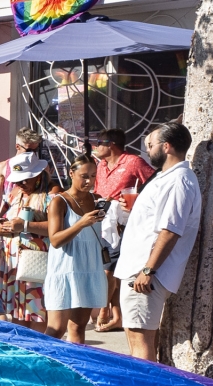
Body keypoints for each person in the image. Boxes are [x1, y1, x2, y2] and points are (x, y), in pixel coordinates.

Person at [114, 122, 202, 361]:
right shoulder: (167, 178)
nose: (147, 151)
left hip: (146, 272)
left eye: (150, 145)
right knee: (135, 334)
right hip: (140, 268)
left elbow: (170, 230)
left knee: (140, 338)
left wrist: (148, 269)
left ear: (166, 146)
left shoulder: (179, 180)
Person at [90, 128, 154, 331]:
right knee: (108, 266)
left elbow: (153, 183)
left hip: (123, 220)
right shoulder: (100, 165)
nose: (95, 146)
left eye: (99, 142)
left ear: (111, 144)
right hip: (102, 218)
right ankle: (116, 315)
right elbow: (98, 191)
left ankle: (103, 310)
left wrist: (137, 201)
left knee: (109, 268)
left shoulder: (133, 161)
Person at [44, 156, 109, 343]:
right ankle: (40, 366)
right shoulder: (59, 201)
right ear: (71, 174)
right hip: (65, 269)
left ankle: (75, 370)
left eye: (93, 176)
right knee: (56, 329)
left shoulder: (97, 201)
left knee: (78, 328)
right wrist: (81, 224)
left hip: (89, 269)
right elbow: (55, 240)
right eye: (84, 176)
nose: (89, 181)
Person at [0, 154, 50, 331]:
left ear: (37, 175)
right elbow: (0, 220)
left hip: (35, 263)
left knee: (38, 310)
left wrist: (24, 225)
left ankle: (40, 351)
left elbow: (56, 228)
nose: (20, 184)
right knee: (17, 312)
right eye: (17, 180)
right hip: (13, 263)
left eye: (24, 180)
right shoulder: (14, 193)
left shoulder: (51, 194)